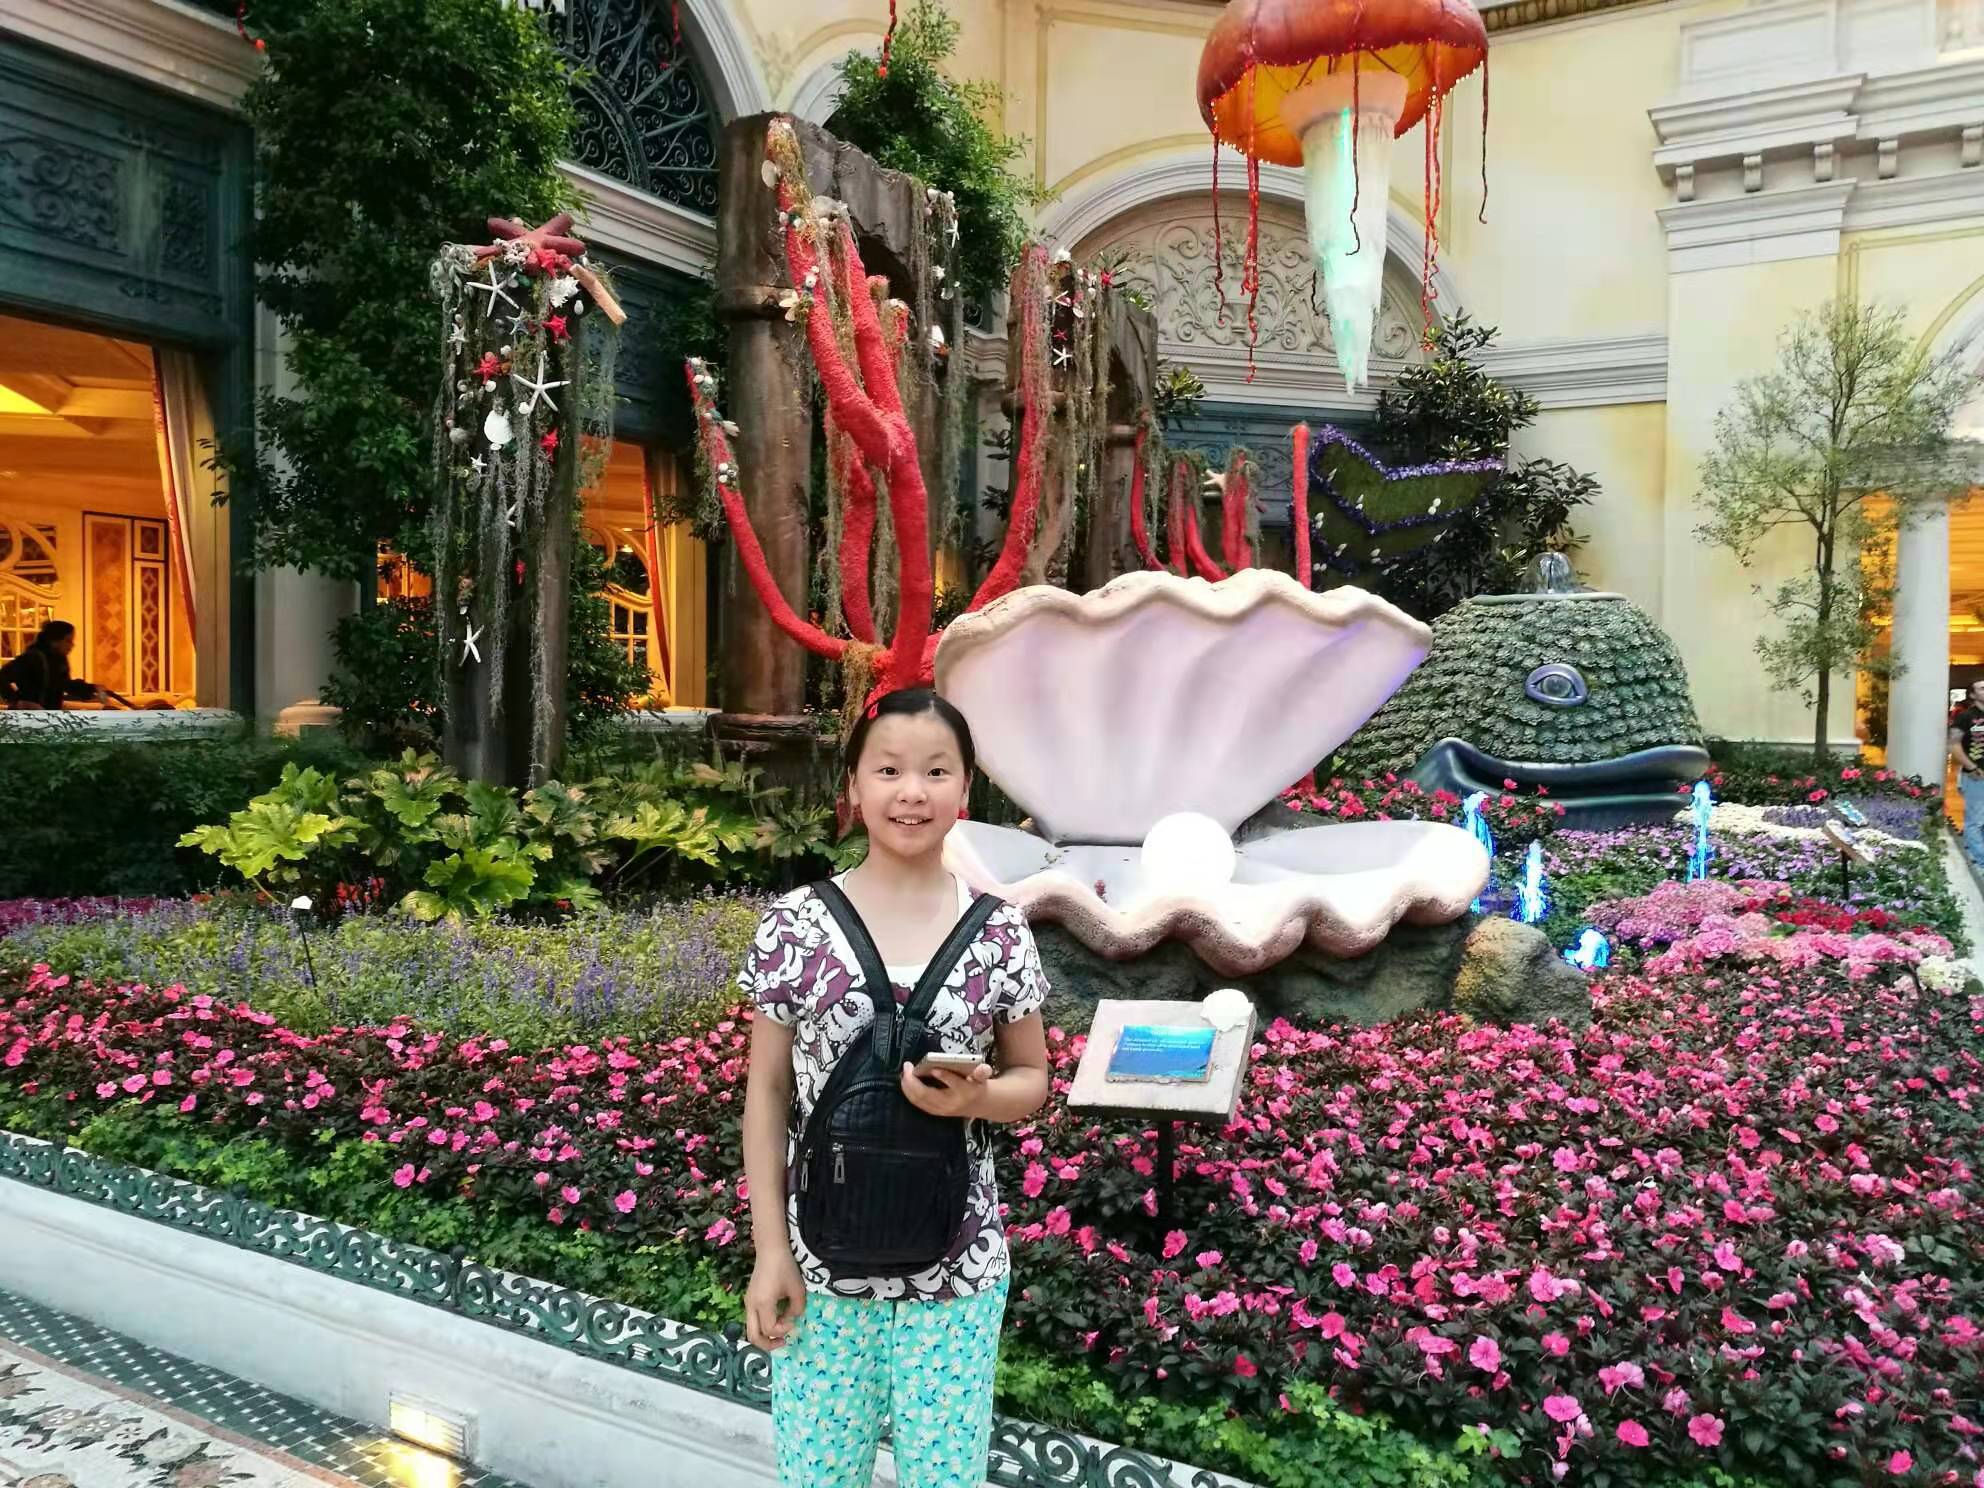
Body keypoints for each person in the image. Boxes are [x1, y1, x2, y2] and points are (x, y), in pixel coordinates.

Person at [739, 687, 1051, 1488]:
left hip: (958, 1271)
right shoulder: (794, 924)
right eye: (888, 770)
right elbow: (767, 1093)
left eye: (936, 771)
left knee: (943, 1477)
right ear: (852, 785)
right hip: (820, 1267)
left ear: (965, 788)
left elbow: (1033, 1078)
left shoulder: (1001, 931)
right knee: (817, 1476)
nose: (912, 792)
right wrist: (771, 1252)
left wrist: (977, 1100)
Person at [0, 621, 104, 709]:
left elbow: (64, 684)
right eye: (68, 641)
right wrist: (16, 701)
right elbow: (2, 677)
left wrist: (93, 688)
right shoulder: (32, 657)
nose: (72, 645)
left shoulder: (59, 659)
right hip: (27, 717)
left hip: (48, 715)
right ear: (54, 641)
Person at [1949, 679, 1984, 870]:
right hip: (1977, 777)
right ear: (1972, 694)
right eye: (1982, 688)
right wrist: (1971, 767)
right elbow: (1953, 745)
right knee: (1975, 820)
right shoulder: (1965, 717)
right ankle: (1979, 861)